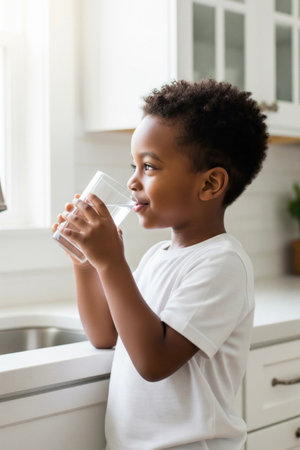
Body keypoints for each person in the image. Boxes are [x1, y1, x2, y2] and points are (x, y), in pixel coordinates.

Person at [53, 79, 268, 450]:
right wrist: (87, 263)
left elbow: (154, 360)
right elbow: (107, 335)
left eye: (149, 166)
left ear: (210, 184)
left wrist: (111, 263)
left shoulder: (224, 264)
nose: (132, 181)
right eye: (133, 165)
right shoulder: (157, 257)